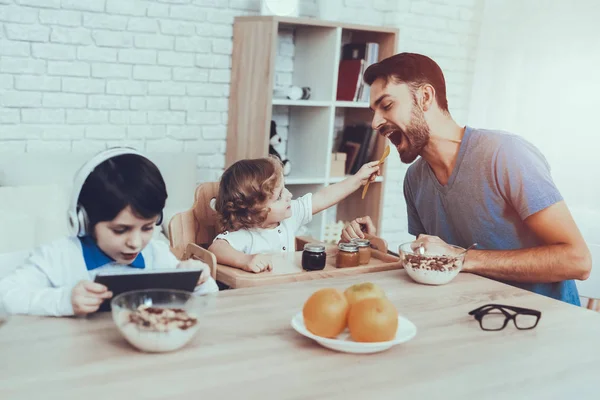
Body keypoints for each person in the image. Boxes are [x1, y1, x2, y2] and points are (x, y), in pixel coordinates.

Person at [340, 52, 590, 305]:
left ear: (425, 97)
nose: (375, 123)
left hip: (544, 325)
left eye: (387, 105)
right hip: (473, 317)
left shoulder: (505, 155)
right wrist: (375, 248)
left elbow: (577, 260)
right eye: (374, 111)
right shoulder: (415, 180)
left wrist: (460, 258)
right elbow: (434, 264)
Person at [0, 147, 218, 317]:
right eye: (120, 230)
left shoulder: (156, 254)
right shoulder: (58, 256)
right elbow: (6, 296)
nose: (135, 242)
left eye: (147, 227)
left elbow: (209, 301)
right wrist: (64, 300)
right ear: (83, 221)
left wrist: (200, 279)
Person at [208, 156, 380, 273]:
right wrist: (245, 260)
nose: (289, 195)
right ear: (254, 212)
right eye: (279, 196)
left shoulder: (289, 216)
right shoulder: (246, 234)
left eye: (285, 188)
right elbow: (216, 248)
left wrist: (358, 178)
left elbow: (324, 196)